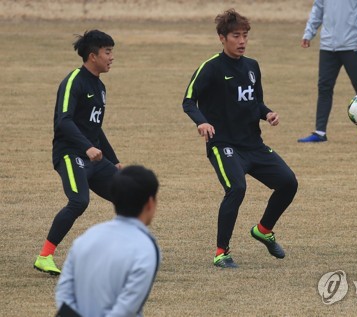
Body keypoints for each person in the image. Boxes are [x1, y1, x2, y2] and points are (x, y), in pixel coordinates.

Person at [182, 9, 298, 268]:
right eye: (236, 36)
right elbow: (188, 101)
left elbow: (255, 102)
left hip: (253, 145)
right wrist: (201, 121)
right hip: (223, 144)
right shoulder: (210, 68)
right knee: (236, 188)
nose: (242, 41)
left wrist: (267, 113)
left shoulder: (252, 67)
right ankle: (221, 252)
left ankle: (264, 230)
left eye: (245, 35)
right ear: (222, 37)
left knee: (288, 183)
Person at [34, 30, 122, 275]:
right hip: (70, 154)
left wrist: (114, 161)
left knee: (128, 196)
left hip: (95, 157)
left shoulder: (100, 86)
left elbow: (96, 129)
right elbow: (64, 120)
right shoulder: (74, 80)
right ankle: (44, 256)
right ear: (92, 56)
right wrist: (87, 147)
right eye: (108, 52)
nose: (112, 57)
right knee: (79, 201)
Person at [55, 165, 160, 317]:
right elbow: (127, 308)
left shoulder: (87, 237)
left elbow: (63, 292)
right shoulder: (147, 247)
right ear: (150, 203)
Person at [297, 0, 357, 144]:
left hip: (354, 44)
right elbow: (318, 9)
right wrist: (309, 33)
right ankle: (320, 132)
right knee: (324, 87)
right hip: (328, 46)